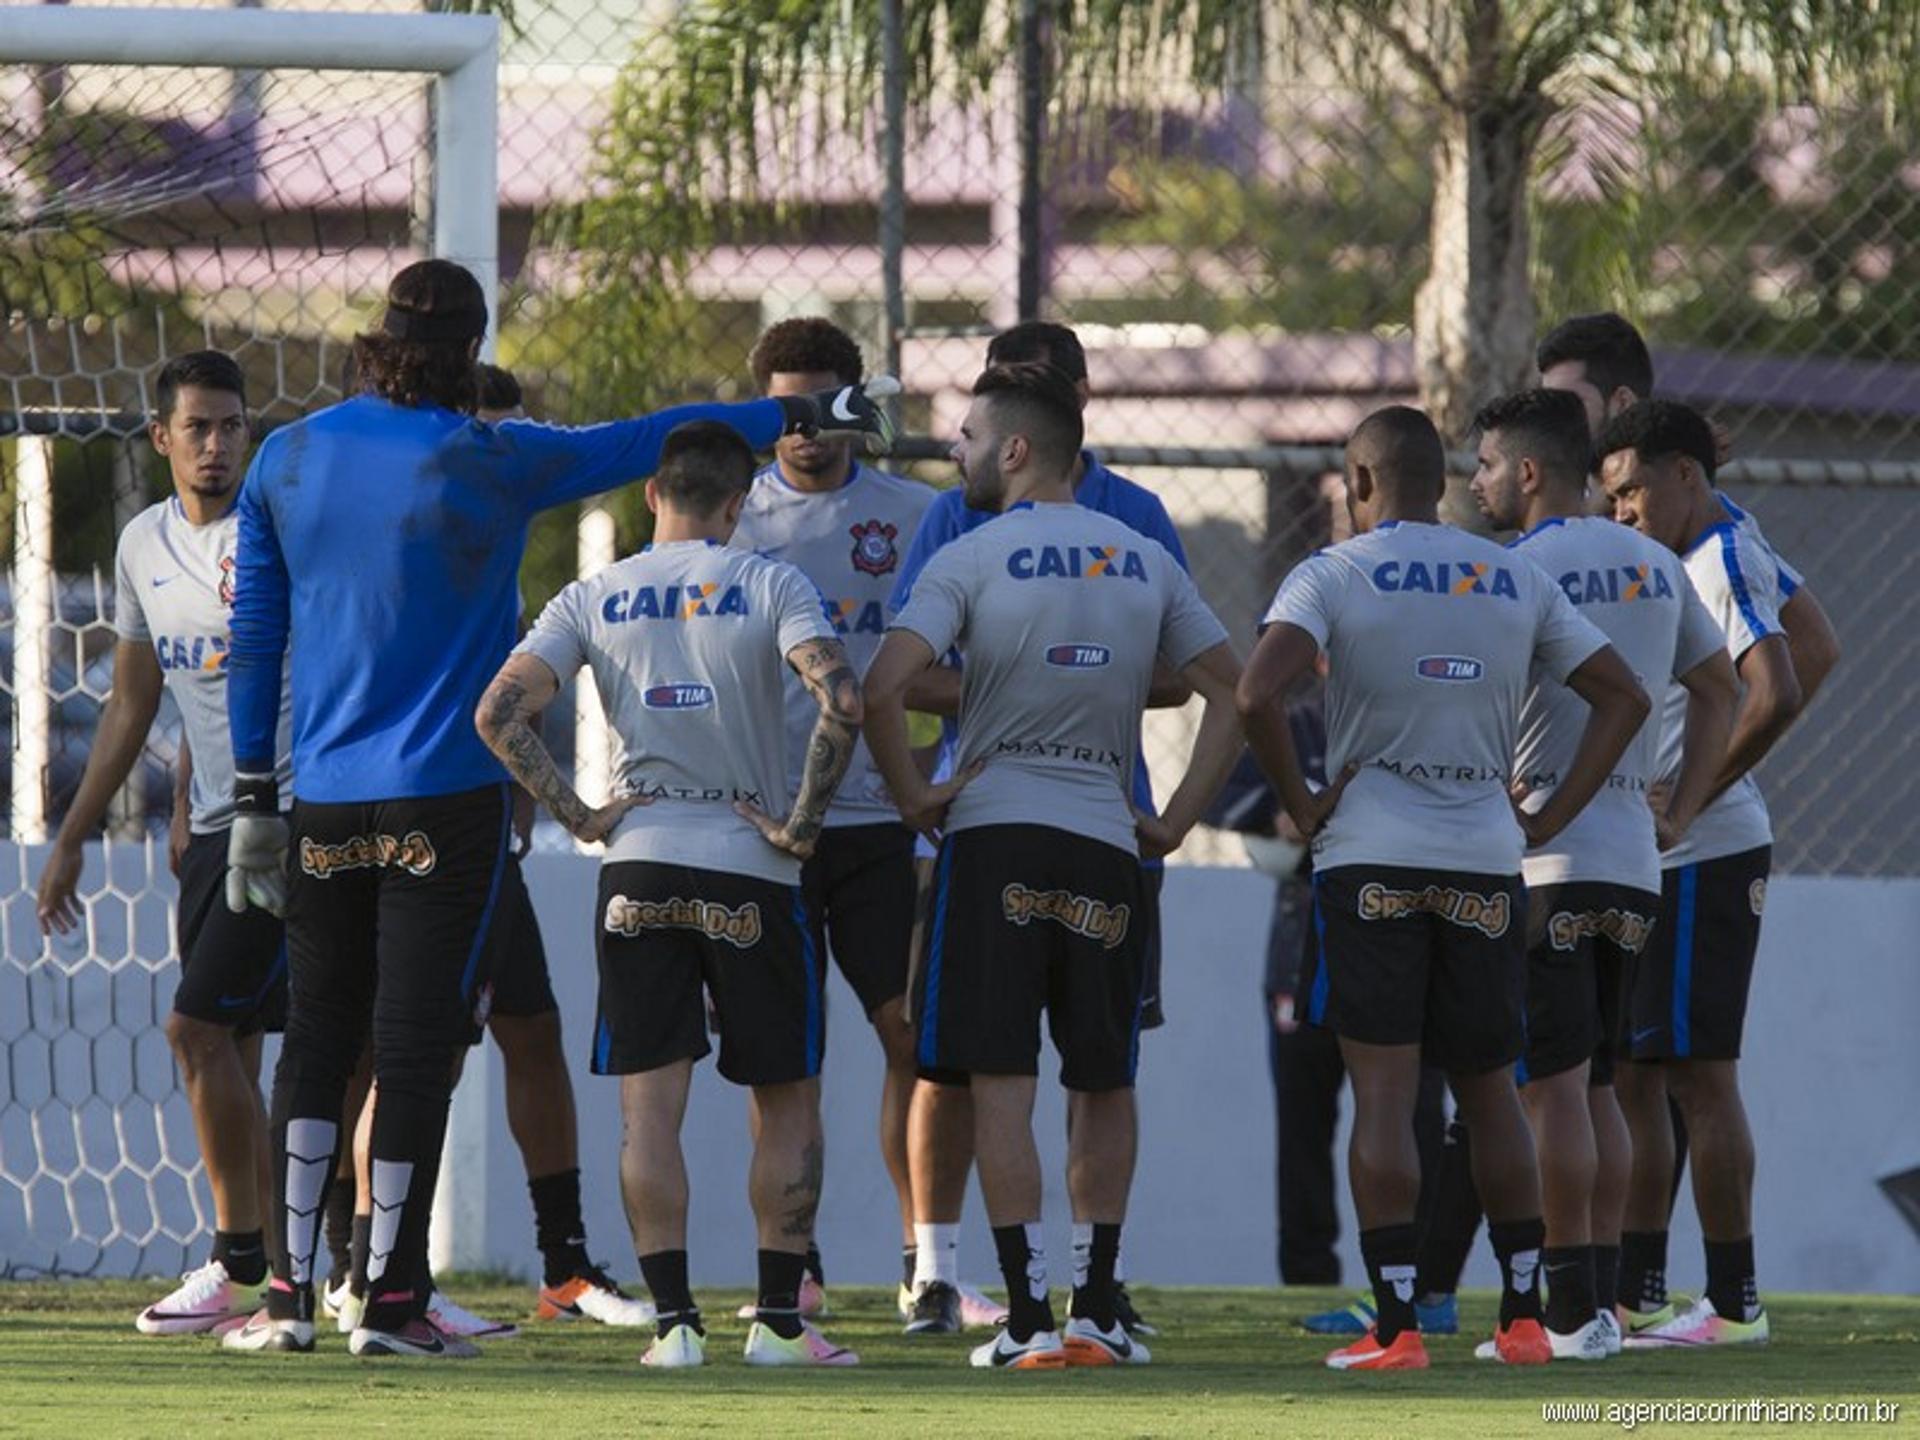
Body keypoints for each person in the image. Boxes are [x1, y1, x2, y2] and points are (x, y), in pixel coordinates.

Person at [217, 258, 897, 1358]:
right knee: (414, 1041)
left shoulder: (290, 455)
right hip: (448, 800)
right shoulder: (493, 455)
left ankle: (289, 1297)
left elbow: (254, 636)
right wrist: (802, 412)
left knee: (319, 1040)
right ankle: (389, 1300)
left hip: (323, 801)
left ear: (376, 336)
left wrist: (255, 792)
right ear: (473, 348)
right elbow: (653, 435)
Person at [1238, 404, 1650, 1372]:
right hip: (1484, 858)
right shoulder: (1515, 574)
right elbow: (1626, 695)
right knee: (1494, 1095)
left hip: (1370, 855)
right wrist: (1547, 819)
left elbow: (1256, 693)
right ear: (1448, 479)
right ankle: (1520, 1323)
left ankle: (1398, 1328)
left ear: (1361, 482)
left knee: (1384, 1097)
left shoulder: (1332, 571)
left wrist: (1301, 803)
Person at [864, 360, 1245, 1370]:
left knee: (999, 1078)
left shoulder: (973, 555)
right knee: (1104, 1074)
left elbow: (879, 687)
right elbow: (1234, 693)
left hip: (992, 839)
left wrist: (914, 796)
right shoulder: (1143, 557)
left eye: (970, 437)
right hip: (1107, 843)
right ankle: (1100, 1304)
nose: (958, 455)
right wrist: (1175, 821)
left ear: (1018, 450)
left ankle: (1027, 1315)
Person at [475, 419, 866, 1370]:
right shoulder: (772, 581)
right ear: (740, 504)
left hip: (638, 862)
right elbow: (843, 701)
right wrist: (802, 826)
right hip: (753, 867)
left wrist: (580, 813)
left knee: (649, 1109)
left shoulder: (593, 593)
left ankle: (674, 1326)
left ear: (652, 495)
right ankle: (779, 1324)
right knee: (787, 1097)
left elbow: (498, 712)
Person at [320, 361, 651, 1340]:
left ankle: (560, 1266)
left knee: (529, 1030)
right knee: (401, 1057)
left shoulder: (488, 559)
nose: (506, 457)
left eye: (517, 436)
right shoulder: (408, 555)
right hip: (417, 835)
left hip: (481, 846)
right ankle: (375, 1270)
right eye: (491, 434)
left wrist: (525, 812)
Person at [1470, 388, 1738, 1359]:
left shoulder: (1515, 570)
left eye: (1489, 465)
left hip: (1546, 859)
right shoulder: (1655, 565)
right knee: (1610, 1088)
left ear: (1530, 471)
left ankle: (1567, 1309)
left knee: (1552, 1089)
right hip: (1634, 860)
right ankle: (1611, 1304)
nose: (1478, 483)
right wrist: (1683, 802)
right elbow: (1723, 688)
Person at [34, 351, 293, 1336]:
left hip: (296, 814)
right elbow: (138, 698)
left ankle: (250, 1265)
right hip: (219, 826)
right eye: (200, 428)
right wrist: (75, 834)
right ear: (161, 437)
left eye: (233, 426)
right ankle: (276, 1274)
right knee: (237, 1046)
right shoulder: (143, 543)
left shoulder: (275, 532)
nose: (218, 445)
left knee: (199, 1031)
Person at [1594, 399, 1835, 1347]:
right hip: (1675, 849)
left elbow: (1776, 687)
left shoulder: (1719, 557)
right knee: (1641, 1074)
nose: (1622, 512)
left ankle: (1735, 1304)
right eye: (1610, 496)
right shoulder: (1727, 537)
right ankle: (1640, 1289)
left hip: (1705, 850)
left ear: (1684, 476)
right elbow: (1820, 643)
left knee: (1698, 1077)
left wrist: (1692, 795)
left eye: (1633, 490)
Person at [727, 318, 935, 1320]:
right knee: (784, 1056)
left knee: (910, 1033)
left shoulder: (918, 515)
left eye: (822, 407)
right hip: (768, 832)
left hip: (878, 825)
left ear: (858, 405)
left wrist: (931, 764)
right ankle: (793, 1266)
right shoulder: (730, 520)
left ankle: (922, 1258)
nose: (804, 431)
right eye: (784, 412)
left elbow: (960, 657)